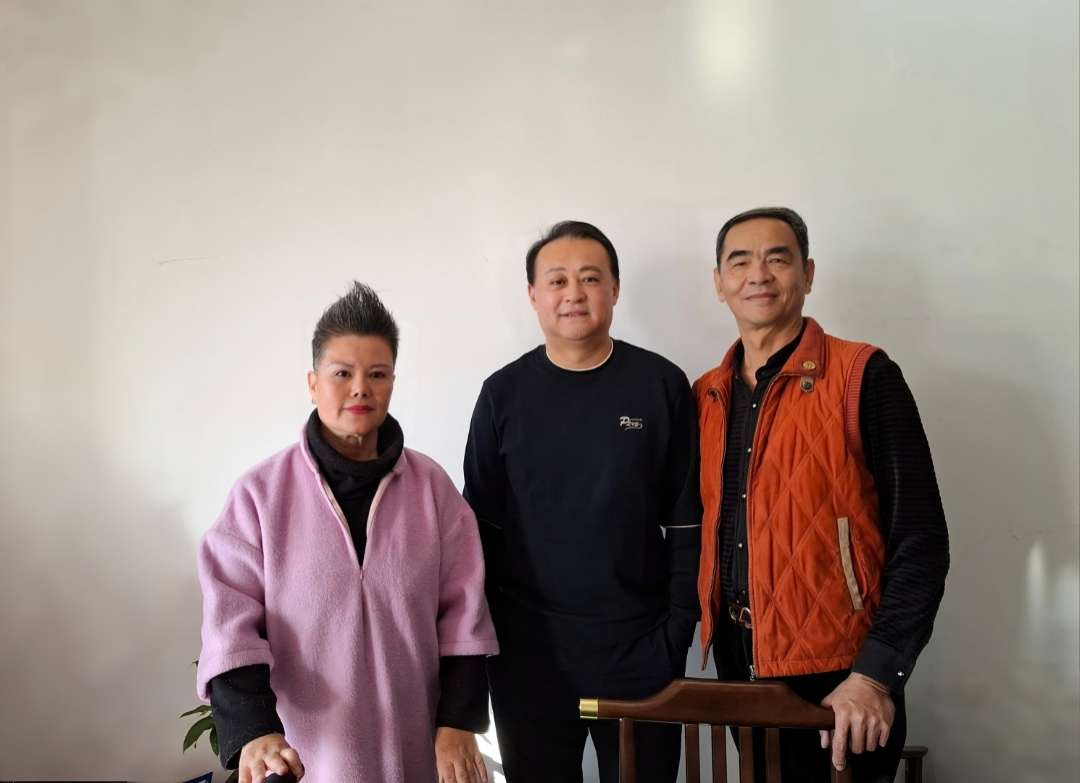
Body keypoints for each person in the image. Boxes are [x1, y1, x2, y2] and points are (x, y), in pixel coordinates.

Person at [196, 282, 498, 783]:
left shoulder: (433, 490)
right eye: (342, 373)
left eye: (377, 374)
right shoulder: (259, 497)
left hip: (416, 749)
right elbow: (230, 627)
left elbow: (465, 615)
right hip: (305, 758)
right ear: (313, 383)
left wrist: (457, 722)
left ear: (393, 382)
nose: (361, 388)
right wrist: (256, 731)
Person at [694, 207, 950, 782]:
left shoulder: (865, 375)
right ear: (719, 282)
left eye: (777, 258)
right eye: (740, 261)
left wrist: (876, 674)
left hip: (843, 676)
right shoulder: (707, 395)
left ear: (807, 274)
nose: (758, 275)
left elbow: (922, 539)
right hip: (740, 665)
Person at [463, 221, 702, 783]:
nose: (574, 293)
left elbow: (688, 522)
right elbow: (475, 533)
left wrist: (676, 635)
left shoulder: (660, 385)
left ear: (614, 288)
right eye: (557, 280)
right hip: (529, 656)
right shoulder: (502, 394)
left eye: (590, 278)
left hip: (640, 650)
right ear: (533, 295)